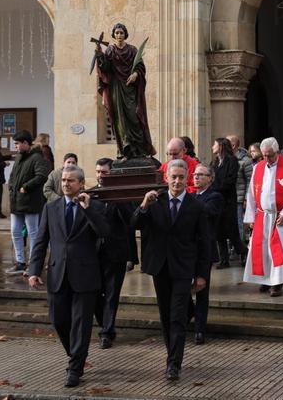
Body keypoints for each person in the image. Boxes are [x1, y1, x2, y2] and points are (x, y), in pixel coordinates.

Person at [27, 165, 112, 388]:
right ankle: (77, 356)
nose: (66, 184)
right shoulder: (51, 207)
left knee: (81, 325)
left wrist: (87, 209)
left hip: (85, 276)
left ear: (81, 184)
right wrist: (34, 269)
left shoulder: (95, 206)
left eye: (71, 181)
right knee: (59, 320)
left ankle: (74, 368)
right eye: (64, 180)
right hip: (57, 273)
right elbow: (41, 239)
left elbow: (104, 232)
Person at [133, 159, 209, 381]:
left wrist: (202, 274)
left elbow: (204, 242)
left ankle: (174, 363)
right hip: (160, 267)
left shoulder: (197, 206)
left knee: (177, 316)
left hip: (184, 268)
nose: (177, 181)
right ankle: (171, 353)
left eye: (181, 177)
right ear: (166, 178)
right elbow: (135, 224)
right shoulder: (155, 200)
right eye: (173, 177)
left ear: (188, 179)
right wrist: (144, 205)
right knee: (166, 315)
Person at [243, 137, 283, 297]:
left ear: (277, 152)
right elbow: (251, 193)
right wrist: (251, 217)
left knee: (278, 250)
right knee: (262, 250)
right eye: (264, 155)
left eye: (269, 155)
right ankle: (265, 279)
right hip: (262, 216)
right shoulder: (258, 168)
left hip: (280, 217)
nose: (266, 159)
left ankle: (277, 283)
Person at [92, 157, 138, 350]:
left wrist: (118, 199)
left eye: (105, 172)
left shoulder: (123, 195)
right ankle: (104, 323)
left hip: (115, 252)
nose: (101, 176)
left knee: (111, 293)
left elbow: (132, 222)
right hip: (93, 253)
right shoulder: (91, 194)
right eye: (98, 172)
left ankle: (107, 332)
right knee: (94, 293)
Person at [94, 22, 157, 160]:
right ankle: (125, 150)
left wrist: (135, 74)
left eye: (121, 33)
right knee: (120, 119)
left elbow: (140, 66)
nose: (119, 35)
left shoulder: (132, 50)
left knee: (135, 116)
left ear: (125, 34)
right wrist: (100, 56)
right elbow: (106, 68)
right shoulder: (110, 50)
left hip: (130, 88)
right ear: (114, 35)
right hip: (116, 88)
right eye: (117, 33)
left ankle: (140, 149)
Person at [6, 130, 50, 275]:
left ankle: (33, 263)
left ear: (25, 143)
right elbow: (13, 175)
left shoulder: (37, 157)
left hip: (30, 202)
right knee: (15, 231)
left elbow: (42, 175)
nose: (16, 147)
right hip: (16, 201)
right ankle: (20, 262)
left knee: (33, 232)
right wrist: (11, 187)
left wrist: (26, 187)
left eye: (17, 144)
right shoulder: (19, 157)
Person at [189, 163, 222, 345]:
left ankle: (200, 330)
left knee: (202, 290)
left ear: (210, 178)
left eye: (201, 175)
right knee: (183, 286)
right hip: (187, 249)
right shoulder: (191, 196)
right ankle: (190, 314)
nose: (196, 177)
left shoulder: (214, 196)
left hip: (204, 250)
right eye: (194, 174)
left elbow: (208, 212)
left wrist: (187, 202)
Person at [211, 137, 245, 268]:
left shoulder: (232, 161)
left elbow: (230, 180)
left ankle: (244, 253)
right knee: (219, 232)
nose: (212, 147)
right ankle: (224, 260)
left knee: (232, 232)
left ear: (220, 146)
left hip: (228, 201)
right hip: (217, 201)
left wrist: (215, 187)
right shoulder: (214, 162)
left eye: (214, 145)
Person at [227, 134, 254, 245]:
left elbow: (250, 180)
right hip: (227, 198)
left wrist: (247, 198)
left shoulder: (245, 160)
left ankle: (240, 249)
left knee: (238, 225)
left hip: (238, 197)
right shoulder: (226, 159)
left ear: (233, 145)